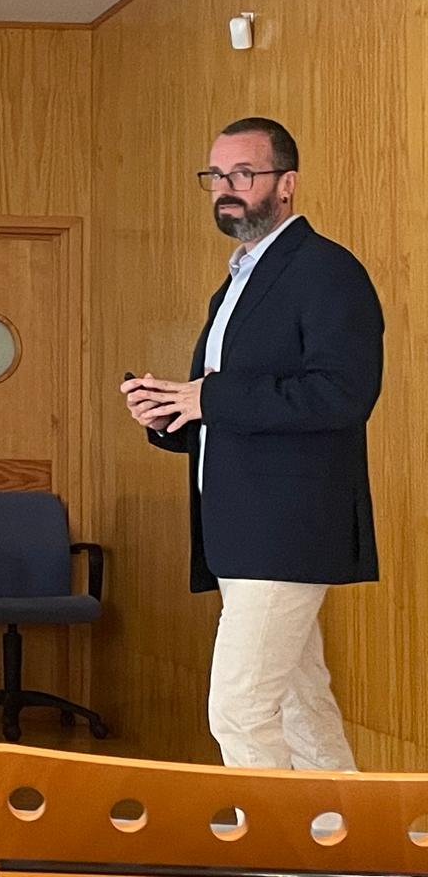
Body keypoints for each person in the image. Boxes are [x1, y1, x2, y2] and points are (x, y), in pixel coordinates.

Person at [120, 117, 383, 772]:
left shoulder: (326, 271)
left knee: (239, 712)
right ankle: (346, 833)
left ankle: (270, 839)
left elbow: (342, 394)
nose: (225, 188)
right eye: (216, 176)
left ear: (286, 183)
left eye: (243, 173)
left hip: (285, 531)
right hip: (239, 530)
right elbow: (229, 408)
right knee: (301, 707)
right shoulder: (235, 283)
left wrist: (208, 399)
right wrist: (170, 414)